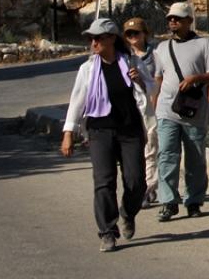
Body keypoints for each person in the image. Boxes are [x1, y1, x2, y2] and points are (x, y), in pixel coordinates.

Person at [61, 18, 153, 253]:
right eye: (91, 39)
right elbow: (77, 100)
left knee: (136, 182)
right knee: (104, 181)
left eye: (98, 38)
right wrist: (68, 132)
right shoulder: (88, 69)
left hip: (129, 129)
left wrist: (139, 80)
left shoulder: (131, 62)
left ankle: (127, 212)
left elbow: (152, 90)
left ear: (111, 38)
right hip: (99, 130)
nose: (94, 43)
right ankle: (107, 231)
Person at [151, 2, 209, 222]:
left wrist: (195, 79)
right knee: (167, 156)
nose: (173, 22)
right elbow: (158, 79)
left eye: (178, 18)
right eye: (171, 18)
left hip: (194, 112)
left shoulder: (204, 45)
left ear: (189, 21)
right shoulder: (162, 48)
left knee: (195, 159)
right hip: (166, 110)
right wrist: (154, 106)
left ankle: (194, 200)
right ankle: (168, 202)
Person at [122, 17, 159, 207]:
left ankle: (148, 188)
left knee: (150, 150)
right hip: (129, 111)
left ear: (145, 33)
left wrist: (141, 81)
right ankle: (139, 186)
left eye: (136, 33)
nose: (133, 37)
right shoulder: (122, 57)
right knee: (133, 152)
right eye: (129, 34)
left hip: (151, 109)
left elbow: (156, 84)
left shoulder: (155, 55)